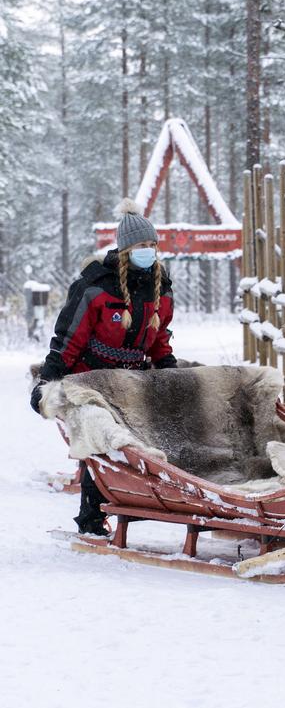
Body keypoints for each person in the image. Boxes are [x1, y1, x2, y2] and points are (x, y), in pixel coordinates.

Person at [30, 198, 177, 536]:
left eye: (152, 245)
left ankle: (146, 502)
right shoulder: (95, 286)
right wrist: (49, 378)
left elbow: (159, 339)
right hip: (91, 379)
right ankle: (91, 518)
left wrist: (169, 368)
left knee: (144, 439)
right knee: (102, 441)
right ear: (126, 249)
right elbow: (69, 337)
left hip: (133, 378)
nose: (149, 251)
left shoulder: (160, 289)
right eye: (142, 245)